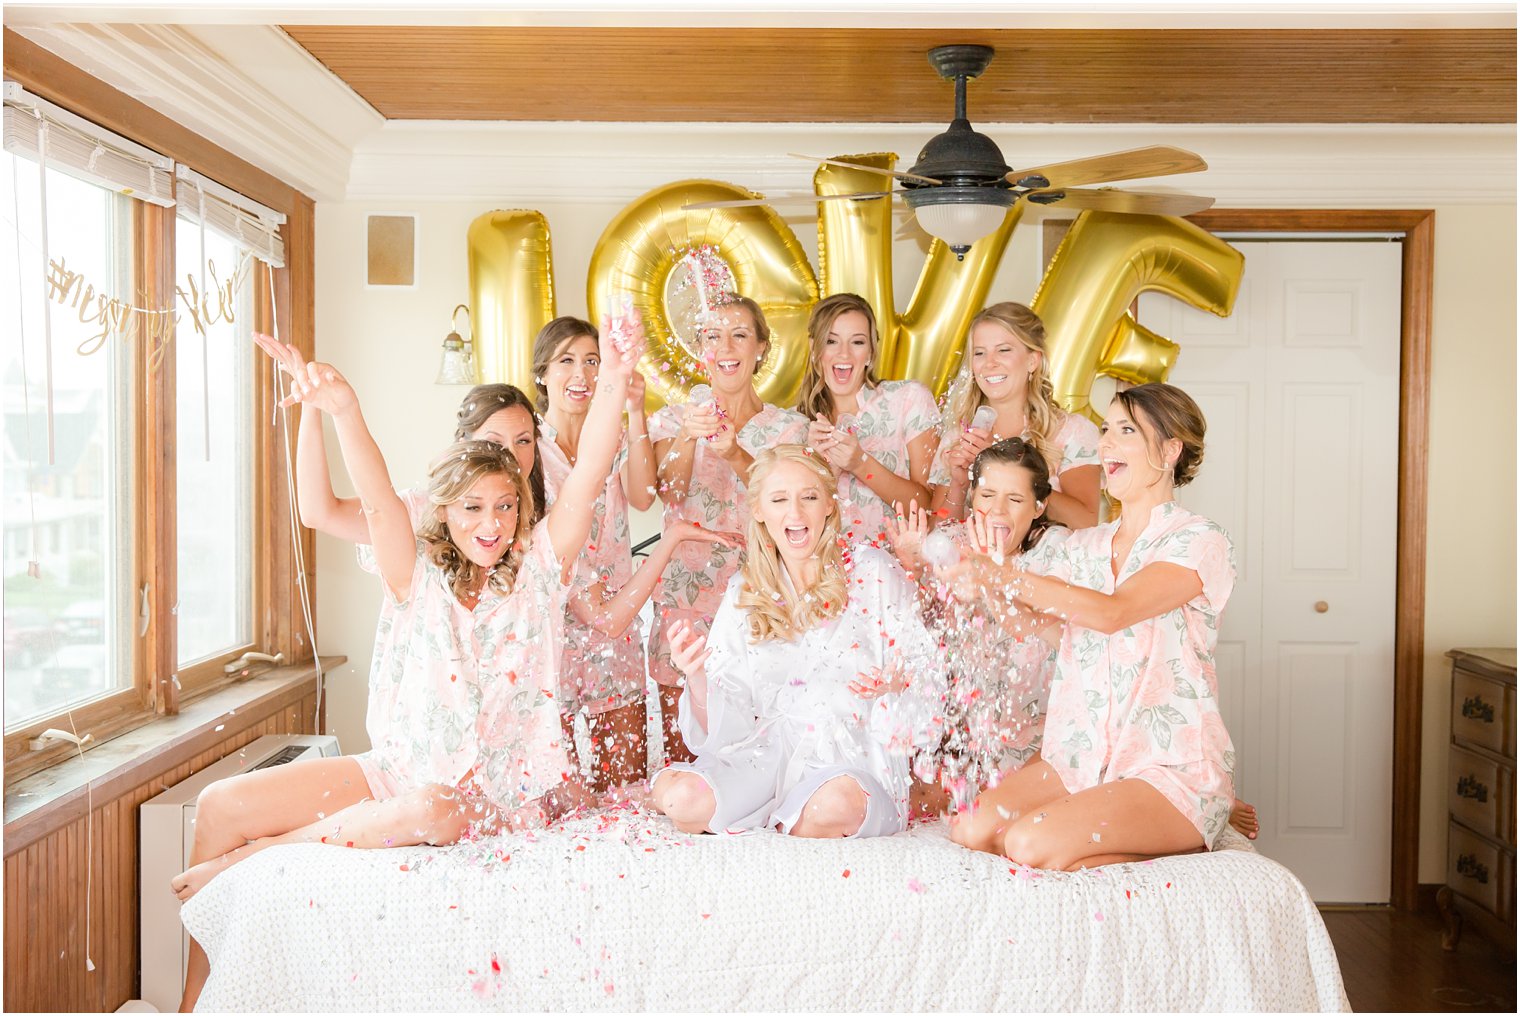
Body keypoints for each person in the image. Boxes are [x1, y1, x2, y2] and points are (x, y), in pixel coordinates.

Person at [171, 323, 640, 1011]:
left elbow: (591, 473)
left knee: (429, 808)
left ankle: (255, 857)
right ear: (444, 511)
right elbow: (374, 497)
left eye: (507, 507)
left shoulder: (541, 570)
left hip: (492, 798)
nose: (493, 524)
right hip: (394, 770)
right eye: (475, 508)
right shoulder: (411, 575)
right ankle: (195, 999)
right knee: (218, 804)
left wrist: (618, 380)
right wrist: (342, 411)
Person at [940, 383, 1237, 870]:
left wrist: (1000, 574)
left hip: (1166, 766)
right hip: (1080, 758)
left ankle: (1195, 827)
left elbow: (1112, 612)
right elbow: (1040, 628)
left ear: (1169, 450)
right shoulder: (1085, 546)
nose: (1106, 444)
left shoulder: (1199, 540)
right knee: (971, 828)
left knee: (1029, 844)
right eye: (1105, 429)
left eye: (1126, 431)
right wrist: (986, 587)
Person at [649, 445, 947, 838]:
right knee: (682, 799)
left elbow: (925, 670)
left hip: (851, 765)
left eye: (808, 497)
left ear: (828, 505)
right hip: (766, 759)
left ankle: (771, 816)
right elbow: (729, 724)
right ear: (758, 510)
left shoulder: (872, 571)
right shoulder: (746, 591)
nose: (795, 513)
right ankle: (769, 810)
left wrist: (896, 685)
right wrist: (697, 675)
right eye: (779, 499)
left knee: (834, 805)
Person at [647, 293, 808, 761]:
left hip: (760, 593)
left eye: (740, 335)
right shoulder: (673, 419)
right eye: (714, 336)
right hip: (683, 593)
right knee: (686, 745)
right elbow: (668, 494)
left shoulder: (788, 428)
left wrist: (734, 451)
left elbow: (787, 505)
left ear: (760, 348)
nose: (727, 346)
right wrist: (687, 437)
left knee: (756, 744)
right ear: (701, 348)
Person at [885, 438, 1066, 812]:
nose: (997, 511)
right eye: (987, 496)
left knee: (995, 812)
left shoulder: (1059, 553)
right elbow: (915, 638)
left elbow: (1068, 639)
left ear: (1039, 506)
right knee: (908, 802)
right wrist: (913, 571)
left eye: (1014, 500)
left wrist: (992, 577)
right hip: (962, 740)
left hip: (1037, 738)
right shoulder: (949, 544)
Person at [529, 315, 661, 791]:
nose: (581, 375)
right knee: (557, 795)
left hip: (615, 635)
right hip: (551, 636)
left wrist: (638, 412)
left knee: (625, 790)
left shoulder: (616, 436)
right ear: (542, 373)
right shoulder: (525, 446)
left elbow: (645, 496)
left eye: (592, 361)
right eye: (566, 361)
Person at [930, 302, 1101, 529]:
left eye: (1003, 350)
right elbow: (936, 540)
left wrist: (1001, 462)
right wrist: (959, 485)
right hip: (972, 563)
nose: (989, 363)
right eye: (979, 353)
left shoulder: (1073, 432)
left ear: (1033, 361)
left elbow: (1085, 523)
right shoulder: (957, 438)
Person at [794, 292, 940, 546]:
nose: (844, 354)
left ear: (871, 352)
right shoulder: (794, 425)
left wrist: (861, 464)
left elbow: (929, 507)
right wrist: (818, 469)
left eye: (857, 342)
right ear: (814, 349)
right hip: (824, 576)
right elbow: (792, 522)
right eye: (831, 341)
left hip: (895, 574)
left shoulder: (908, 400)